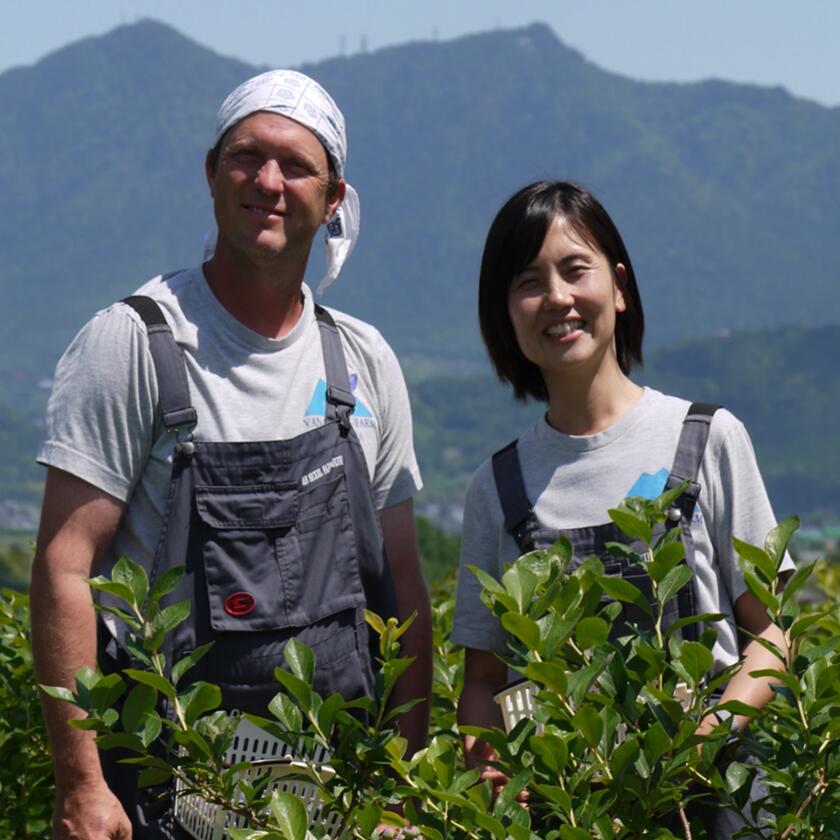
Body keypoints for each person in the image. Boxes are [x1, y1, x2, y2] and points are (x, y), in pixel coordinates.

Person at [31, 69, 432, 839]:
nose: (269, 182)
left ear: (335, 198)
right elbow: (64, 566)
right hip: (161, 786)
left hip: (337, 794)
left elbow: (403, 589)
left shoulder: (362, 362)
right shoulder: (136, 342)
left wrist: (404, 783)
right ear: (212, 172)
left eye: (297, 166)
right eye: (247, 157)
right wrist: (82, 784)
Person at [452, 180, 791, 835]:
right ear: (506, 314)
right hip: (569, 811)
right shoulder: (497, 487)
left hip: (715, 800)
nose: (556, 297)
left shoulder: (706, 438)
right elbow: (484, 677)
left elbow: (773, 631)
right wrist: (490, 765)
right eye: (528, 281)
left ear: (620, 287)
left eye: (575, 269)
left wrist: (703, 739)